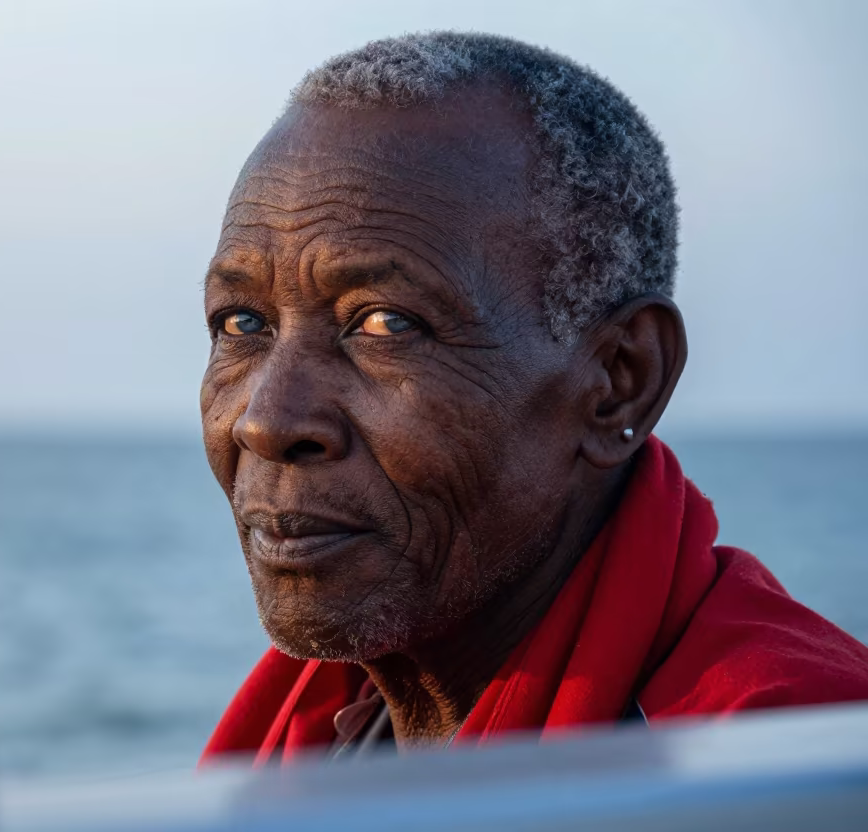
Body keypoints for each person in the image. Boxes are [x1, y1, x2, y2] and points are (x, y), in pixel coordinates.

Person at [197, 32, 868, 765]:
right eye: (243, 323)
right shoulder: (330, 725)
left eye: (386, 323)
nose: (266, 419)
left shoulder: (790, 762)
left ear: (620, 380)